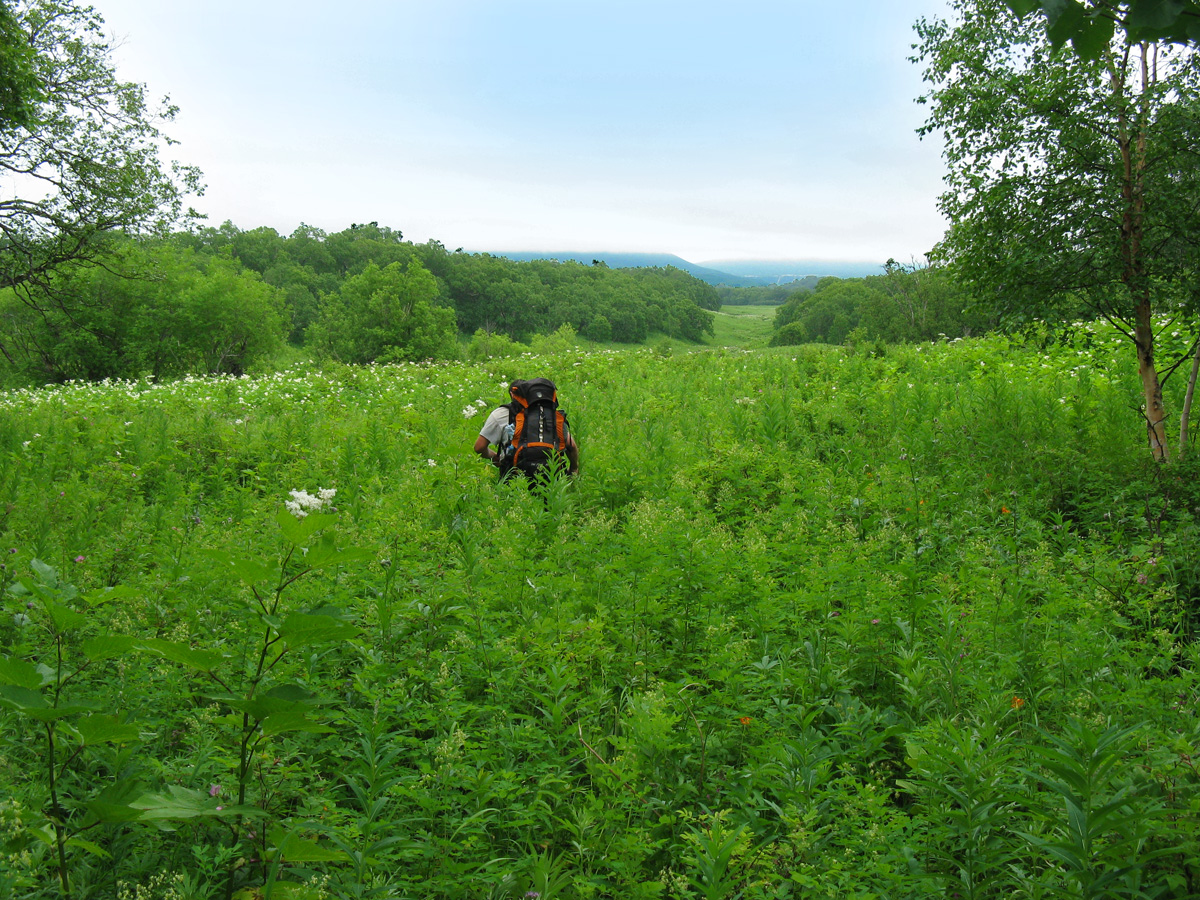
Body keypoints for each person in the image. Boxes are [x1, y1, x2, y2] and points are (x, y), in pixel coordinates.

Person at [473, 378, 579, 480]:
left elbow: (479, 447)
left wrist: (495, 458)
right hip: (551, 476)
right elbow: (571, 446)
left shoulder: (499, 414)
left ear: (512, 394)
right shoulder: (550, 415)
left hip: (514, 477)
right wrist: (574, 468)